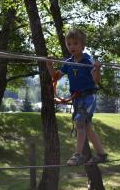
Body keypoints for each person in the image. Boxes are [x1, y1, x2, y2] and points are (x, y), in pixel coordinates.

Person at [46, 28, 107, 166]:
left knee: (80, 123)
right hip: (77, 99)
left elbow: (96, 80)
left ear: (82, 46)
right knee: (87, 127)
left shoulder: (87, 60)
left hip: (88, 98)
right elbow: (55, 77)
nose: (71, 47)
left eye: (75, 43)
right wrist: (49, 65)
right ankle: (102, 154)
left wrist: (97, 69)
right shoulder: (69, 62)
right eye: (69, 44)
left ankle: (78, 155)